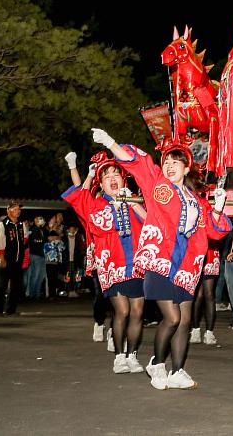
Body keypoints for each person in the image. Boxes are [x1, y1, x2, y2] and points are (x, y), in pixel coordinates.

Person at [91, 129, 231, 390]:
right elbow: (138, 164)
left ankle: (177, 370)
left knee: (186, 321)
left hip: (187, 269)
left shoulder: (196, 201)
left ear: (187, 168)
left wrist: (219, 209)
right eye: (166, 161)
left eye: (175, 162)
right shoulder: (158, 186)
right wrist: (111, 142)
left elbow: (213, 231)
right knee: (173, 318)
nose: (168, 166)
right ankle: (157, 363)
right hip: (160, 263)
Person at [62, 150, 147, 374]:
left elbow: (152, 222)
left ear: (124, 178)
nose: (112, 179)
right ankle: (119, 356)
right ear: (102, 183)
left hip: (136, 264)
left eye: (116, 175)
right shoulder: (98, 205)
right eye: (107, 176)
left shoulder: (135, 201)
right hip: (112, 265)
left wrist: (132, 202)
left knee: (138, 311)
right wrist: (80, 171)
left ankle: (132, 355)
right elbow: (83, 201)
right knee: (123, 311)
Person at [0, 200, 27, 316]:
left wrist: (24, 257)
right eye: (15, 209)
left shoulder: (21, 224)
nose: (18, 211)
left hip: (18, 260)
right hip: (6, 259)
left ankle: (11, 309)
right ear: (8, 210)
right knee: (2, 285)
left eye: (19, 209)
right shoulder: (2, 224)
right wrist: (1, 257)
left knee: (15, 286)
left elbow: (25, 241)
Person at [190, 240, 220, 345]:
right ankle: (198, 331)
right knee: (201, 295)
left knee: (205, 294)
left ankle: (204, 332)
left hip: (207, 252)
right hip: (199, 252)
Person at [25, 216, 48, 300]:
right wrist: (44, 241)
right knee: (35, 274)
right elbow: (35, 241)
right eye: (40, 219)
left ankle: (37, 294)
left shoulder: (43, 230)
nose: (42, 220)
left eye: (42, 219)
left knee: (41, 275)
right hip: (35, 255)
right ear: (35, 221)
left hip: (41, 255)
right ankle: (32, 294)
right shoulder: (34, 229)